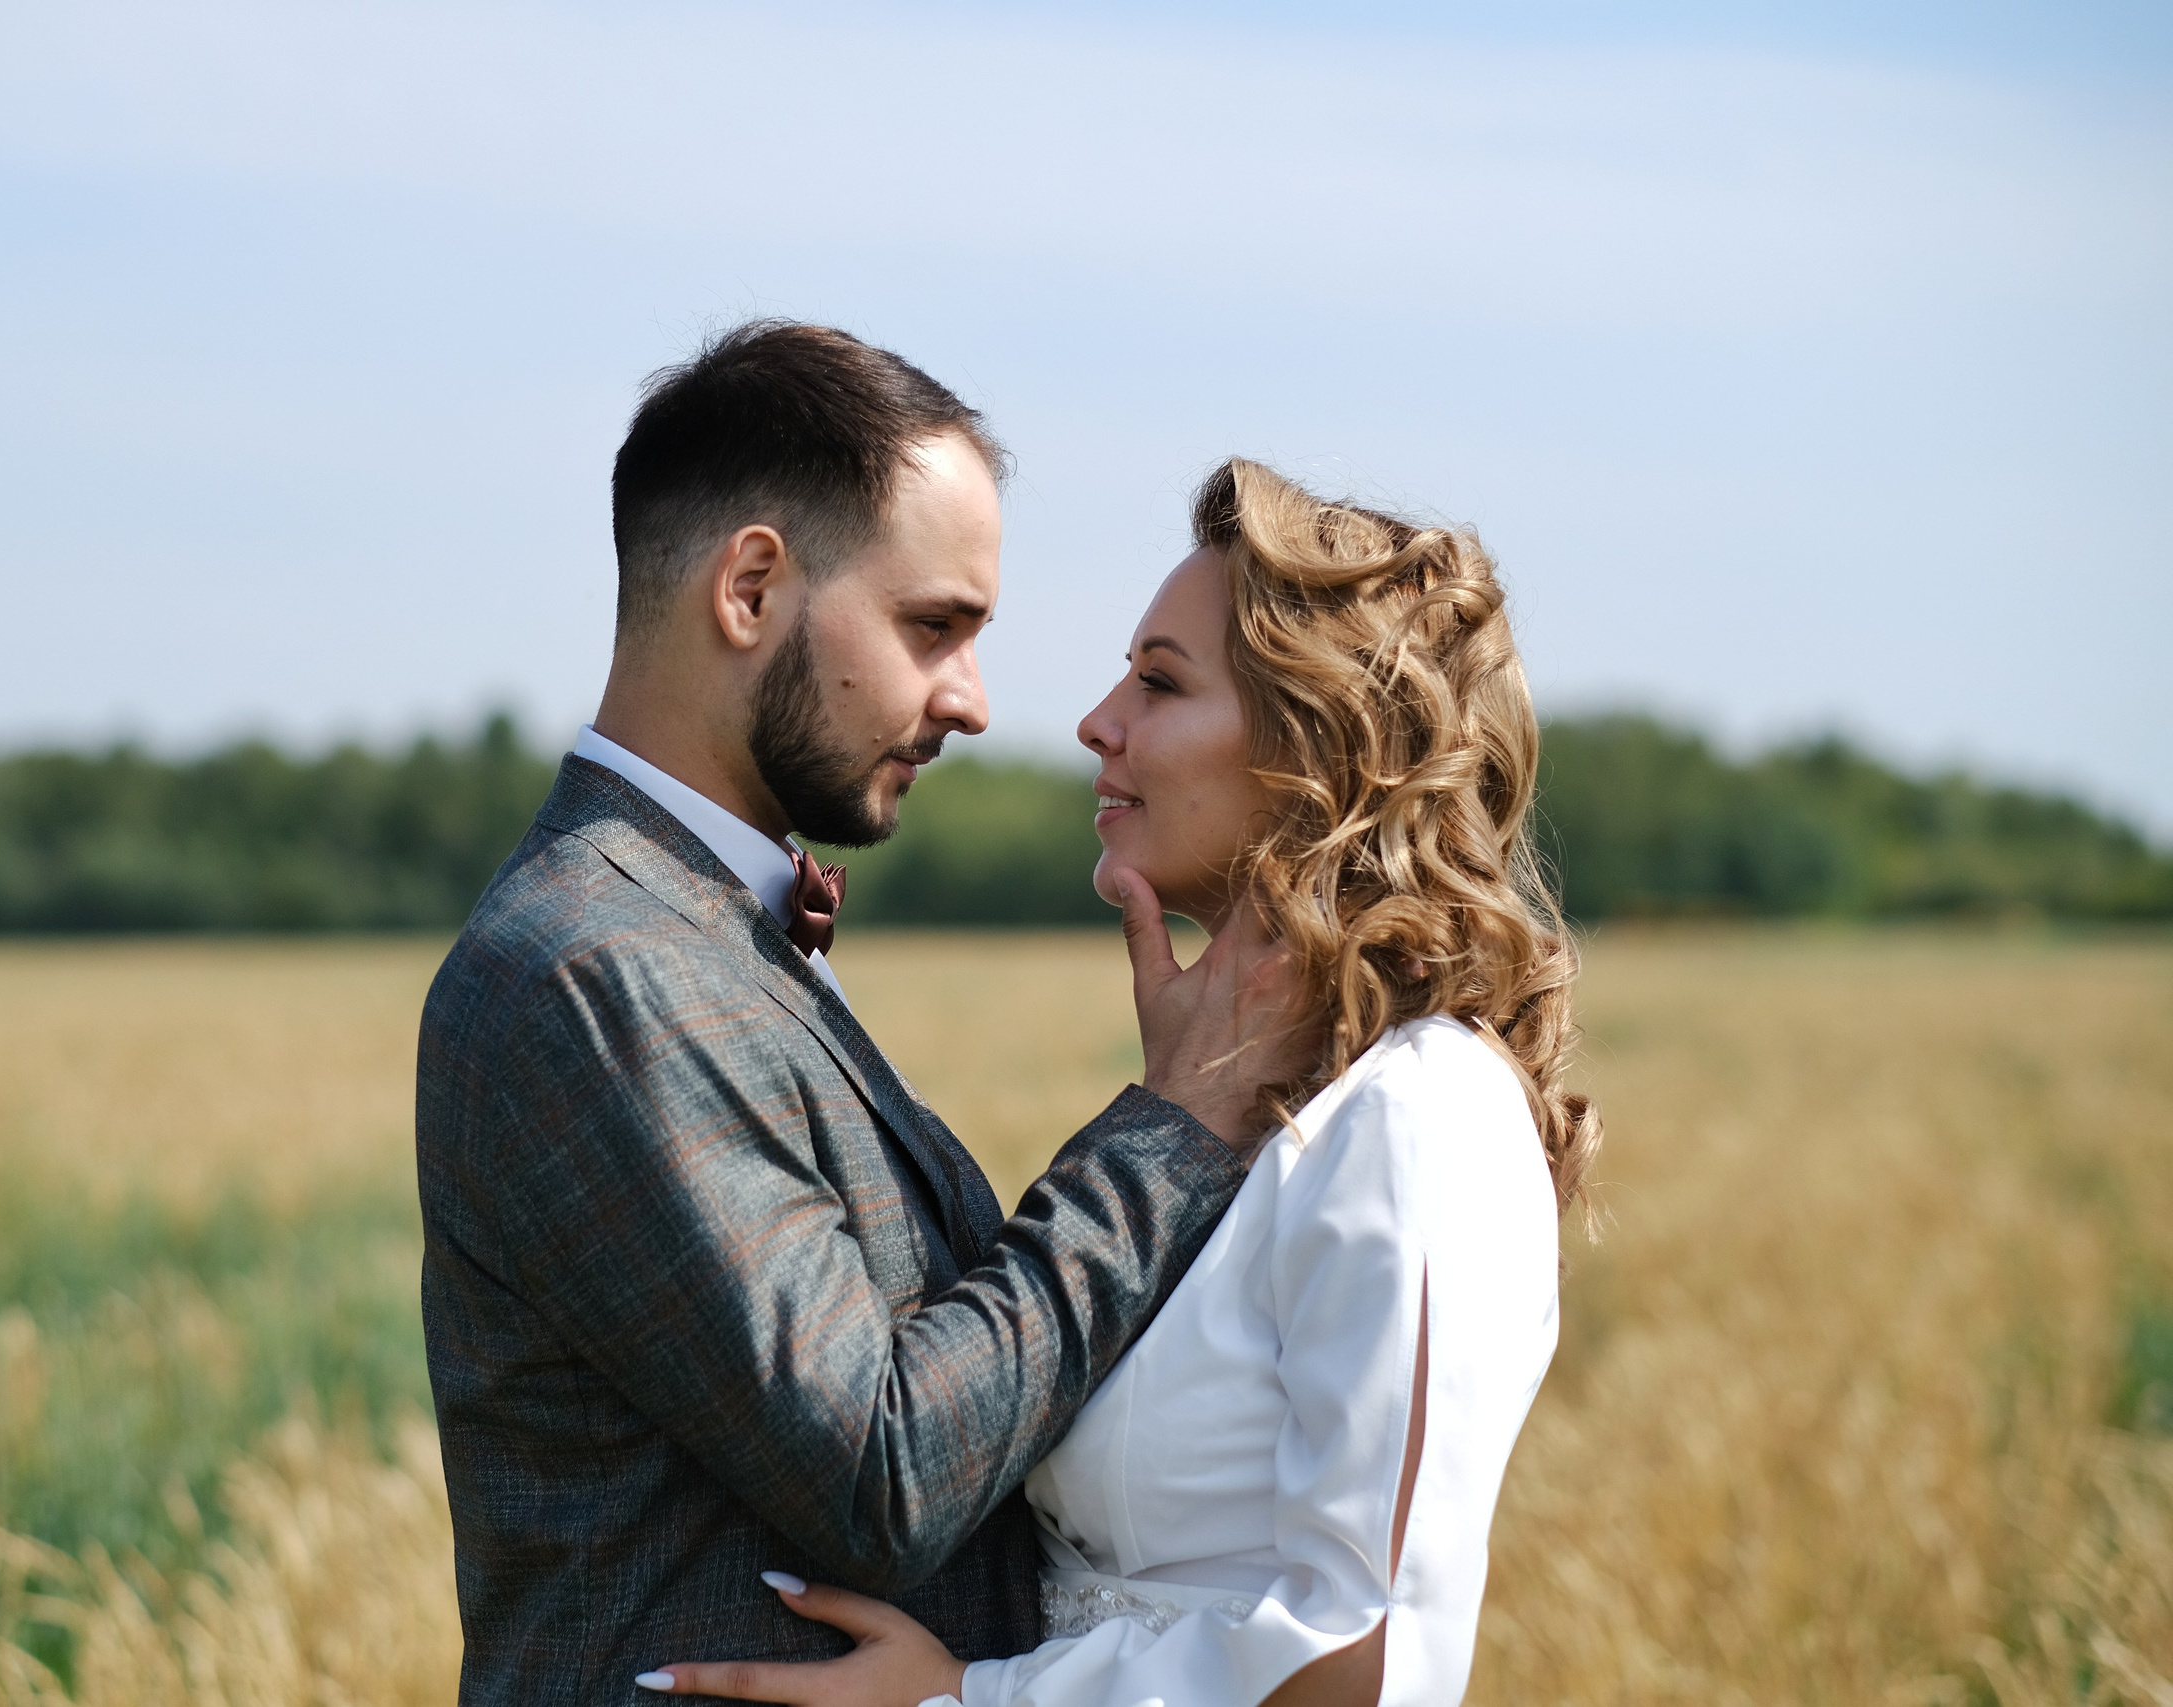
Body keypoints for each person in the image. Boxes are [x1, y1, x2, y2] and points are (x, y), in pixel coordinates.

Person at [414, 325, 1318, 1706]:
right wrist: (1176, 1127)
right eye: (932, 627)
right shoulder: (596, 967)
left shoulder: (695, 926)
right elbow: (882, 1469)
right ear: (751, 588)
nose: (973, 700)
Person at [642, 458, 1601, 1707]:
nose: (1097, 722)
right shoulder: (1262, 1112)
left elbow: (1360, 1658)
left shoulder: (1418, 1115)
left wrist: (967, 1699)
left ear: (1320, 748)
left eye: (1159, 681)